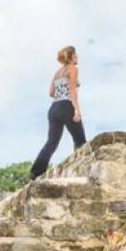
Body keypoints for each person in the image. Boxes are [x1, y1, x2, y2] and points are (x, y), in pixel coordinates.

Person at [30, 45, 87, 179]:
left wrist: (64, 87)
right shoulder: (73, 69)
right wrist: (77, 110)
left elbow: (51, 93)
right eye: (75, 55)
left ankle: (35, 172)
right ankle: (80, 169)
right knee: (80, 140)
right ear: (71, 56)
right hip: (66, 105)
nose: (77, 57)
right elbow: (72, 91)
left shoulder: (57, 73)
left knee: (51, 142)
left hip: (53, 109)